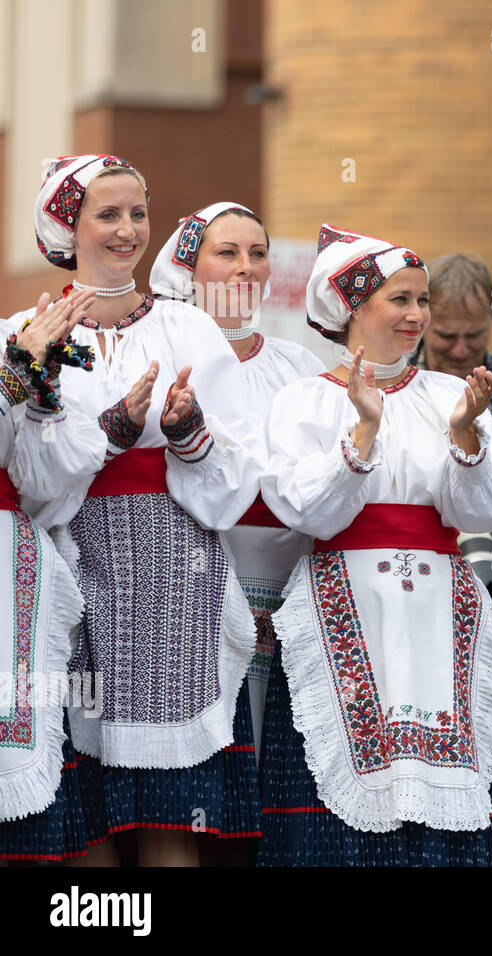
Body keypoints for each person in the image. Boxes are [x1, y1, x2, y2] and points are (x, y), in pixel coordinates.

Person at [22, 155, 261, 867]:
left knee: (167, 819)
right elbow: (30, 485)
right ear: (67, 225)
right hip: (68, 571)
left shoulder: (190, 331)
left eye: (138, 212)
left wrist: (188, 434)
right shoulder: (28, 333)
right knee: (83, 819)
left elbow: (235, 480)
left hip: (173, 579)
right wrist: (107, 435)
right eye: (107, 214)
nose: (128, 230)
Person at [257, 224, 492, 866]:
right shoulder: (307, 403)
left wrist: (464, 436)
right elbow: (308, 512)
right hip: (346, 607)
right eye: (399, 299)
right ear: (352, 308)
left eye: (420, 300)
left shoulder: (448, 396)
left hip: (438, 612)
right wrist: (363, 436)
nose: (417, 315)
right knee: (347, 788)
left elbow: (484, 508)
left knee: (447, 779)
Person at [149, 201, 324, 765]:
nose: (246, 267)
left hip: (285, 585)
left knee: (273, 759)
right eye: (227, 253)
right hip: (190, 580)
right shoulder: (163, 358)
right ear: (189, 269)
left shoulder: (302, 367)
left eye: (258, 253)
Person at [412, 252, 492, 861]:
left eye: (474, 337)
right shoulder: (399, 385)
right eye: (447, 336)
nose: (462, 351)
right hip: (416, 607)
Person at [0, 289, 108, 864]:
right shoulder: (14, 348)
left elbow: (41, 479)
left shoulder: (11, 338)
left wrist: (41, 383)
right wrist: (18, 370)